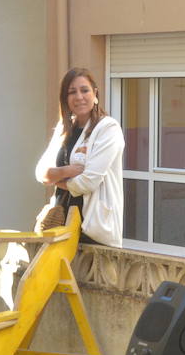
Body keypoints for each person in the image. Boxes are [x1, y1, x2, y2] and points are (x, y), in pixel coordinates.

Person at [34, 67, 125, 247]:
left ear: (95, 93)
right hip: (60, 222)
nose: (79, 97)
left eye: (85, 90)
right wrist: (67, 170)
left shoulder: (108, 129)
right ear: (65, 98)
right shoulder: (64, 129)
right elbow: (40, 173)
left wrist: (57, 180)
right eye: (72, 92)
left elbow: (89, 181)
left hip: (92, 227)